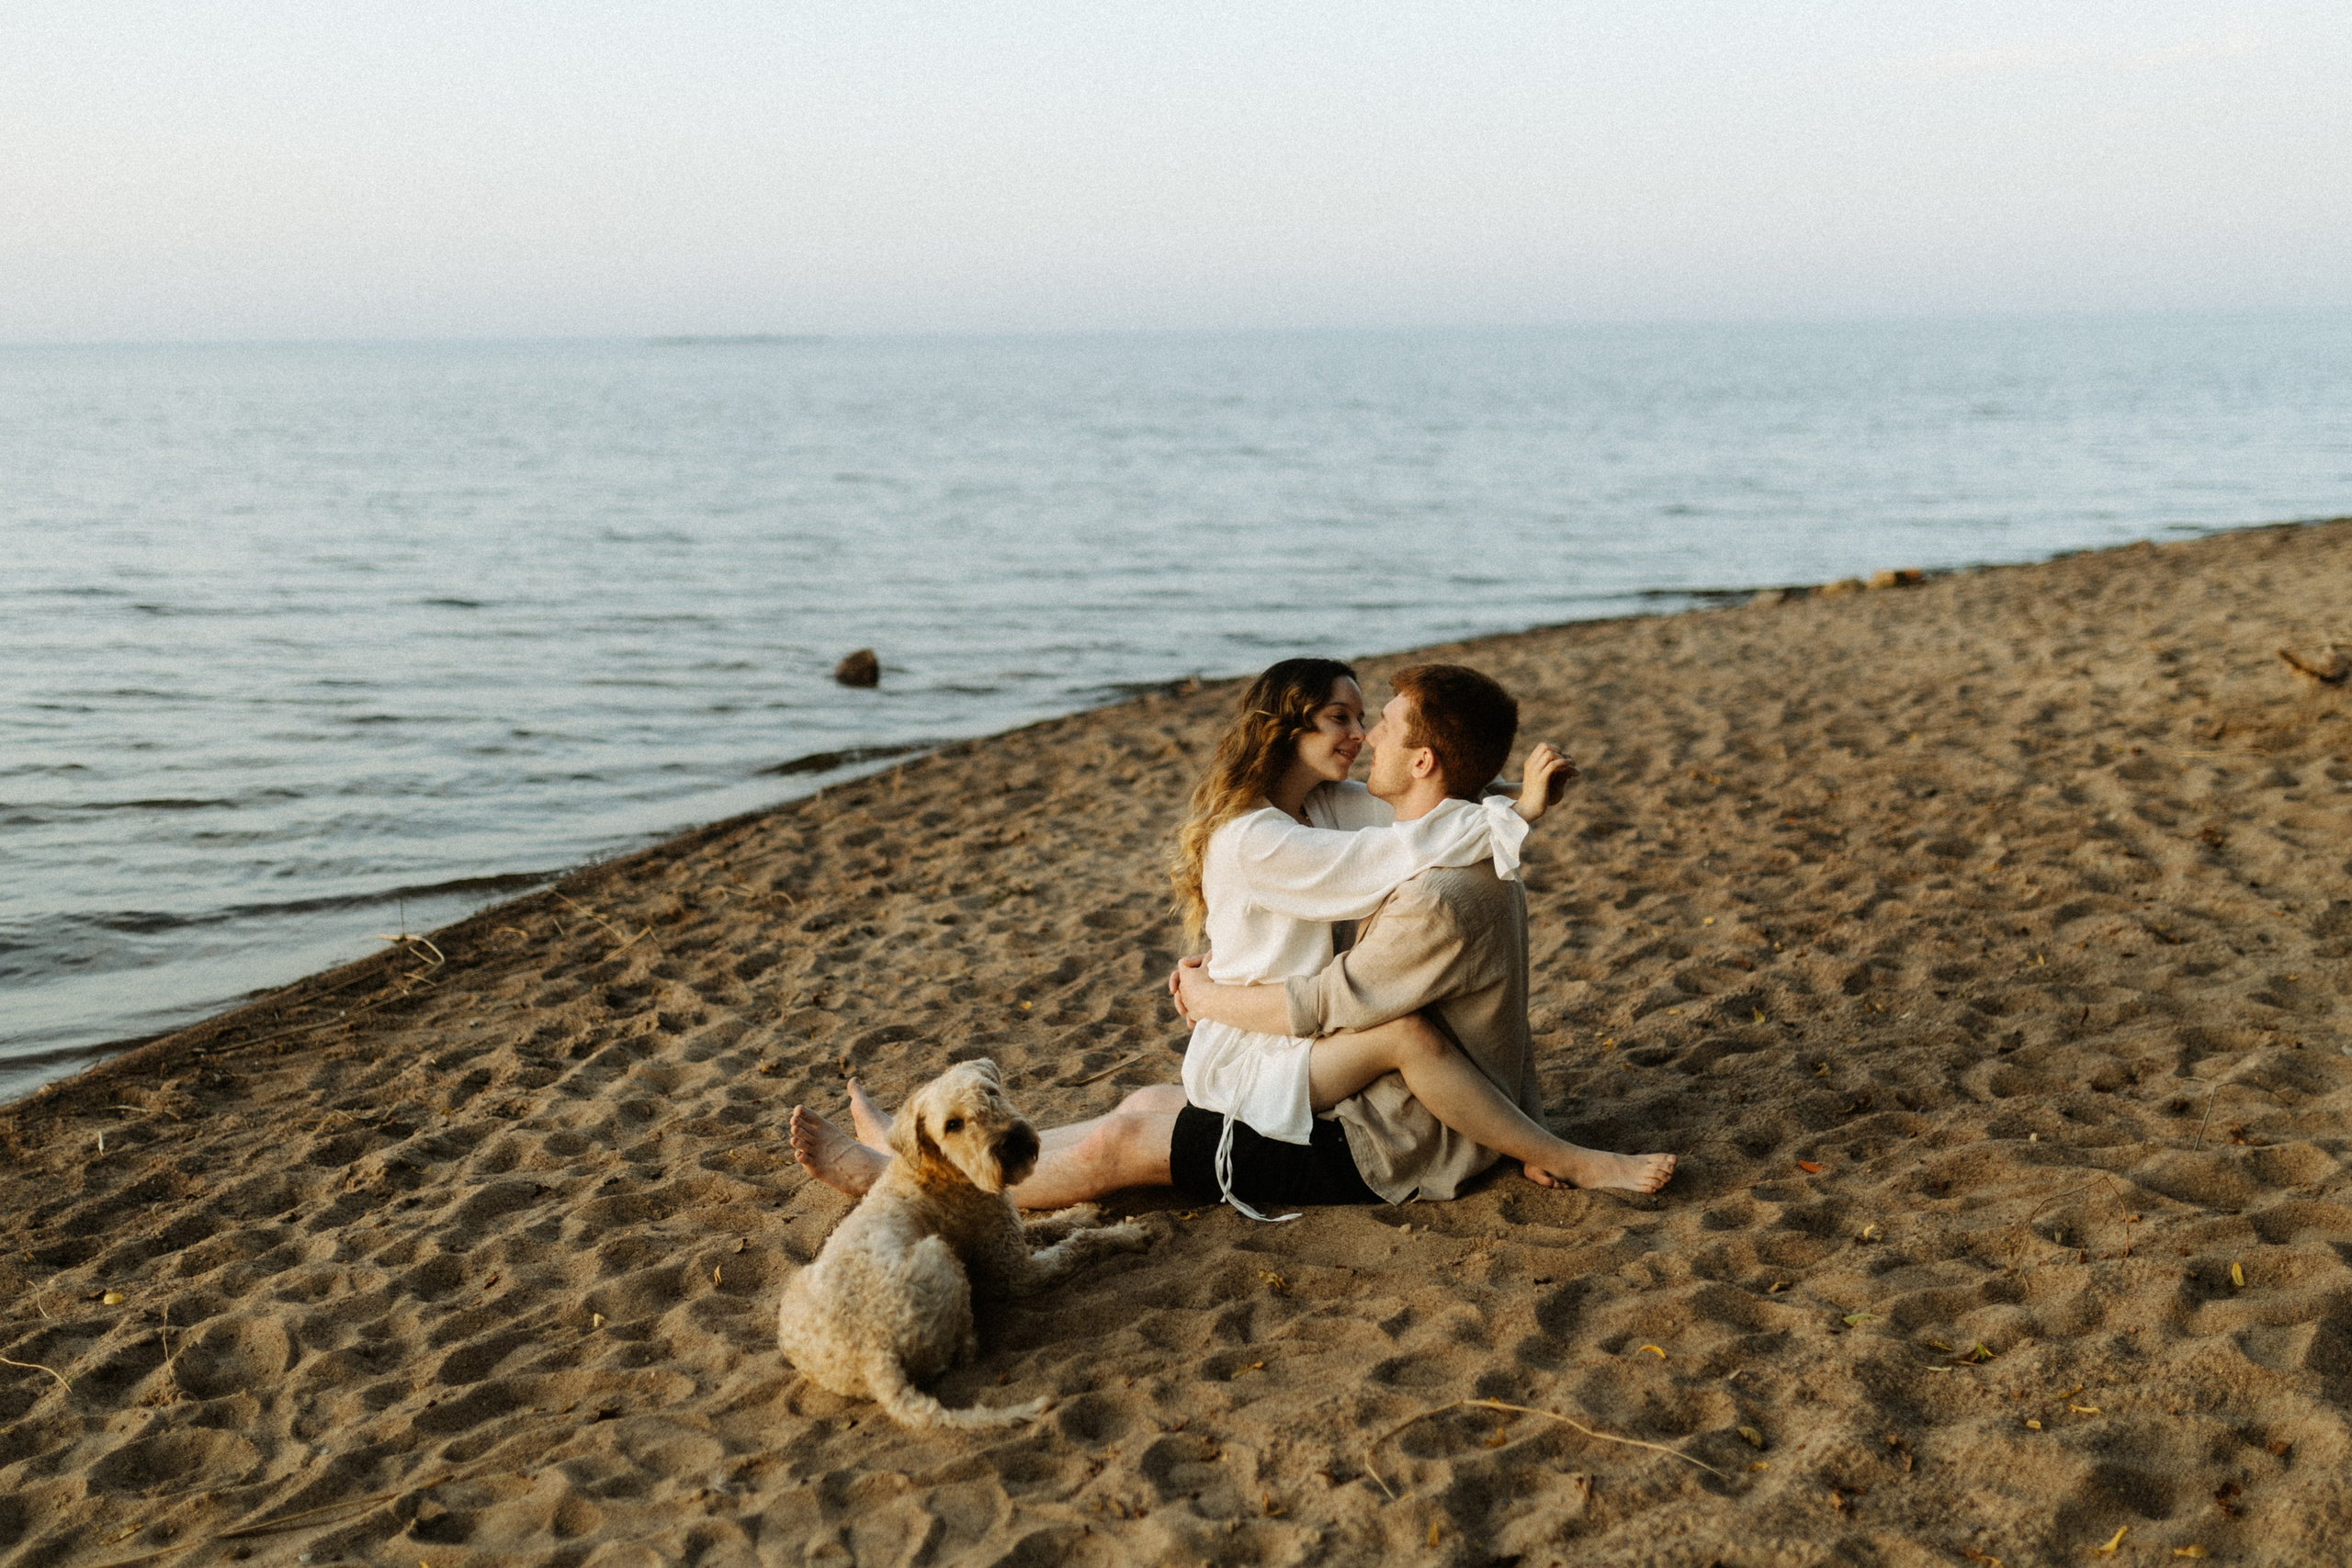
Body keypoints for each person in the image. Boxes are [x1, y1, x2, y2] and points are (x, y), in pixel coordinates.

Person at [789, 660, 1674, 1212]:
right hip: (1292, 1061)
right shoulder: (1287, 826)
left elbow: (1409, 842)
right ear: (1285, 729)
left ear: (1420, 759)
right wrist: (1514, 807)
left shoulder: (1412, 868)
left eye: (1378, 724)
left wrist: (1517, 803)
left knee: (1121, 1143)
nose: (1363, 736)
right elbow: (1418, 821)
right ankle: (919, 1156)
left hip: (1367, 1122)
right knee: (1136, 1109)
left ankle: (895, 1180)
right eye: (1343, 719)